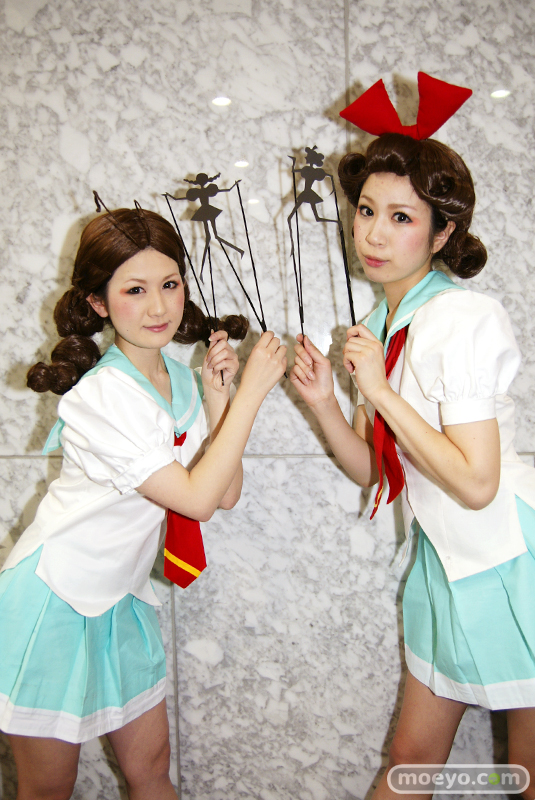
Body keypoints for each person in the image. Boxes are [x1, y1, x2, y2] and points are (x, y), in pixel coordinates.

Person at [291, 78, 535, 800]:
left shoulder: (463, 319)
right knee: (409, 758)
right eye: (366, 210)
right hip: (443, 563)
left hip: (511, 560)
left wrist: (379, 391)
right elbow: (376, 469)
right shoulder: (383, 324)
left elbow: (476, 482)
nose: (372, 233)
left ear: (442, 234)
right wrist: (324, 402)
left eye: (400, 217)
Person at [0, 205, 287, 800]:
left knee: (152, 773)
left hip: (120, 600)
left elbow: (224, 492)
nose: (159, 307)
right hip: (51, 599)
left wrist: (220, 397)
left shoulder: (180, 380)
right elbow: (197, 500)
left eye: (170, 284)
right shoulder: (101, 395)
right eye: (135, 290)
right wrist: (253, 395)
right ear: (99, 302)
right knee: (48, 788)